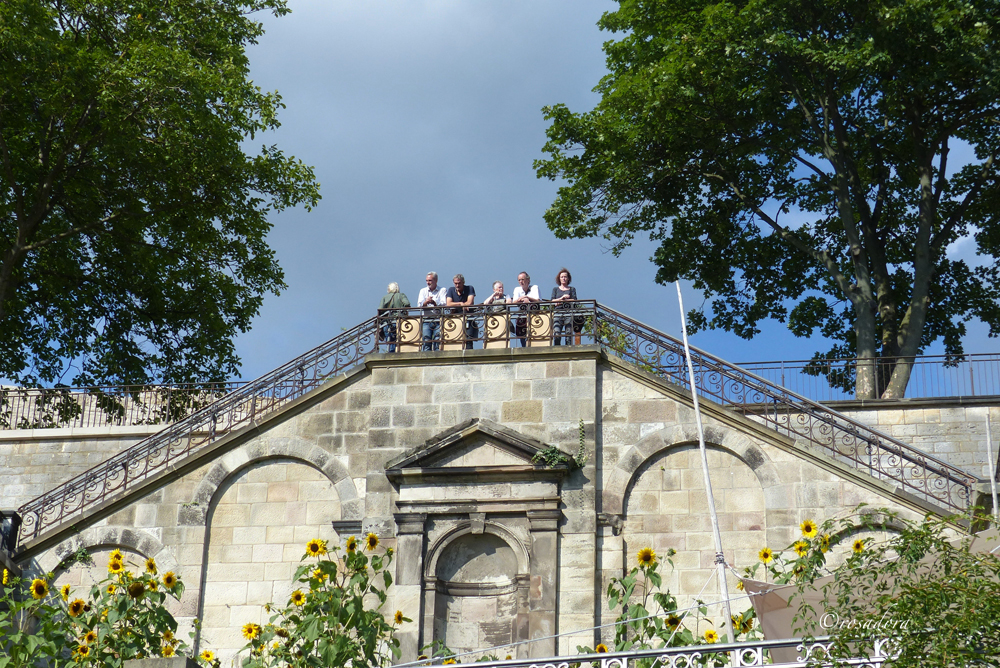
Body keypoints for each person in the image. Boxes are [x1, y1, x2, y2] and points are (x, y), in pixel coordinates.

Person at [417, 272, 448, 351]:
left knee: (438, 341)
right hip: (426, 319)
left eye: (430, 280)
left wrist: (434, 303)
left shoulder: (442, 290)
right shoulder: (423, 291)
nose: (428, 282)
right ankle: (426, 361)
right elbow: (419, 305)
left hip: (438, 319)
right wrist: (426, 302)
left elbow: (444, 304)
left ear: (436, 280)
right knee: (426, 341)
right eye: (427, 280)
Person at [445, 274, 477, 349]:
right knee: (455, 338)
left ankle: (469, 356)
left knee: (468, 339)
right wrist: (461, 303)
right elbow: (448, 304)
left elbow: (469, 302)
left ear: (463, 282)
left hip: (468, 317)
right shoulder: (451, 290)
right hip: (455, 318)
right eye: (455, 283)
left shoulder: (469, 288)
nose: (457, 285)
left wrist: (456, 305)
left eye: (459, 283)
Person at [377, 282, 410, 352]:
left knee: (390, 341)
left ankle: (390, 353)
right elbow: (407, 304)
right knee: (400, 339)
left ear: (389, 289)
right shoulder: (401, 295)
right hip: (400, 321)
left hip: (387, 322)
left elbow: (380, 310)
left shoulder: (385, 298)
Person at [510, 271, 540, 347]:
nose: (521, 282)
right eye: (519, 280)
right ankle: (524, 346)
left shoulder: (534, 287)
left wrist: (527, 298)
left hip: (534, 312)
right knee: (520, 326)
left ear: (528, 280)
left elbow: (538, 300)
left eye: (522, 279)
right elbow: (514, 302)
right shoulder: (517, 289)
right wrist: (522, 299)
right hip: (523, 313)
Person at [551, 268, 577, 345]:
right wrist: (561, 298)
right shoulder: (555, 289)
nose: (563, 278)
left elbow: (574, 300)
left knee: (568, 334)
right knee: (557, 333)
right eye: (562, 277)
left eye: (565, 277)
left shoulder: (572, 289)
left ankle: (568, 349)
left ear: (568, 278)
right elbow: (552, 301)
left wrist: (565, 300)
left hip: (568, 312)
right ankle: (556, 349)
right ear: (559, 278)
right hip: (558, 313)